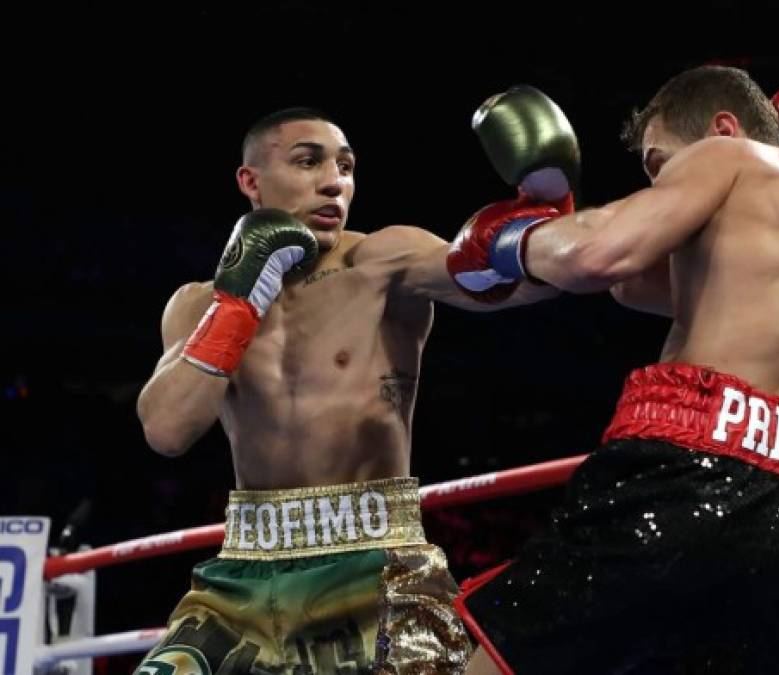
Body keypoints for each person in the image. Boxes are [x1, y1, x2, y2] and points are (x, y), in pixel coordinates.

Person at [448, 66, 779, 674]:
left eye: (659, 166)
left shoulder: (727, 156)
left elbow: (598, 255)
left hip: (693, 485)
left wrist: (520, 238)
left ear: (724, 129)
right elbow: (635, 283)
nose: (658, 186)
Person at [133, 106, 564, 674]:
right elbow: (166, 430)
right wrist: (238, 303)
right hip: (245, 574)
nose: (334, 181)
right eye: (308, 162)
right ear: (250, 181)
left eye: (346, 166)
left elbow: (510, 282)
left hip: (378, 568)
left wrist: (549, 213)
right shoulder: (196, 303)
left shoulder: (381, 260)